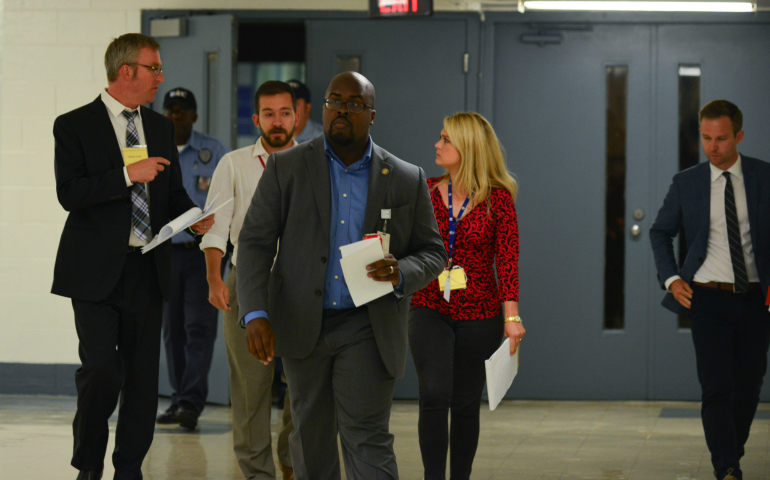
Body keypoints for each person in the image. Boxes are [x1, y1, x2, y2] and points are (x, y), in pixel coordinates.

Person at [236, 71, 446, 479]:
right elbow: (255, 243)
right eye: (335, 101)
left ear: (372, 114)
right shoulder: (286, 167)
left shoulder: (405, 177)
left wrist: (400, 271)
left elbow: (433, 252)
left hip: (368, 324)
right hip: (301, 323)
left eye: (354, 104)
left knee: (366, 436)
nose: (342, 111)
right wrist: (255, 313)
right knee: (309, 439)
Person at [51, 33, 214, 480]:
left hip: (147, 267)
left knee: (143, 381)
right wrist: (127, 174)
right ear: (127, 72)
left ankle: (129, 470)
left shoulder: (160, 128)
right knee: (102, 371)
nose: (161, 77)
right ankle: (88, 464)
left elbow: (174, 194)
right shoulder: (73, 125)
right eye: (154, 68)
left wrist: (195, 218)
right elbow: (70, 194)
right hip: (94, 272)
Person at [650, 100, 770, 480]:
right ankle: (727, 468)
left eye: (721, 139)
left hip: (755, 298)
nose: (712, 147)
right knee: (716, 386)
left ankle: (732, 450)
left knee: (749, 387)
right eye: (705, 138)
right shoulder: (687, 182)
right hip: (707, 298)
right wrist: (672, 278)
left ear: (739, 136)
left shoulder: (763, 176)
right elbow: (660, 232)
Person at [408, 112, 523, 480]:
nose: (437, 145)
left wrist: (512, 317)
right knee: (433, 395)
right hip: (429, 307)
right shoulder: (424, 190)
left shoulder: (498, 199)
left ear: (468, 148)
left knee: (465, 405)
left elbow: (507, 260)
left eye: (445, 139)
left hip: (480, 314)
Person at [201, 81, 298, 480]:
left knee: (303, 385)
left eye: (285, 112)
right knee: (250, 388)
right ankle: (258, 473)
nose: (278, 122)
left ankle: (292, 460)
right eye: (269, 114)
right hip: (248, 283)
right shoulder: (234, 163)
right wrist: (214, 279)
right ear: (256, 119)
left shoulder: (315, 162)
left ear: (297, 116)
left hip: (301, 286)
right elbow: (215, 227)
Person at [156, 87, 230, 431]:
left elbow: (229, 203)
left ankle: (190, 403)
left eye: (182, 110)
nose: (175, 115)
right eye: (170, 109)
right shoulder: (153, 151)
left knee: (198, 329)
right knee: (172, 332)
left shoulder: (213, 152)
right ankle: (178, 397)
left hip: (201, 255)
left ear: (194, 115)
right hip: (165, 254)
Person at [286, 79, 323, 143]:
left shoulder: (322, 140)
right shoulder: (270, 136)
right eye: (285, 103)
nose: (289, 108)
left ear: (307, 107)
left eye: (295, 104)